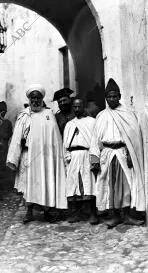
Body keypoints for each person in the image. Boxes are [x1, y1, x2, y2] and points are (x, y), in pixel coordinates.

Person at [7, 84, 67, 224]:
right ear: (29, 99)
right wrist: (13, 158)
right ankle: (29, 212)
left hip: (46, 157)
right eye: (32, 98)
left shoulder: (48, 114)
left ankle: (46, 211)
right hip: (29, 156)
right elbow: (16, 138)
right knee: (29, 184)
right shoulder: (24, 115)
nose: (35, 100)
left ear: (42, 99)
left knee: (45, 183)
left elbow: (55, 138)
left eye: (38, 97)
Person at [90, 78, 145, 228]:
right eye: (109, 96)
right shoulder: (101, 116)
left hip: (122, 153)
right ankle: (114, 215)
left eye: (115, 96)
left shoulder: (128, 114)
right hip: (107, 154)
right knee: (109, 185)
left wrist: (130, 153)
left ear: (120, 96)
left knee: (126, 184)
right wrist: (94, 157)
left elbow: (134, 137)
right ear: (106, 98)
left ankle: (127, 215)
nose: (112, 99)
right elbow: (95, 139)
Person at [63, 98, 98, 224]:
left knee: (89, 184)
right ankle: (76, 213)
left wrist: (94, 158)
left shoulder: (92, 122)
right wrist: (67, 157)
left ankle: (93, 214)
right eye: (75, 107)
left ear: (84, 107)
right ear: (72, 108)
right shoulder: (69, 124)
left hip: (86, 155)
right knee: (73, 184)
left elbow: (95, 141)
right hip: (73, 156)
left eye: (79, 106)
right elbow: (65, 144)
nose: (77, 109)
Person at [0, 101, 13, 192]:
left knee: (2, 165)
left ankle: (2, 186)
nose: (3, 112)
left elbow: (10, 133)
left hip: (4, 146)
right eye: (1, 111)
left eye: (4, 111)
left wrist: (4, 136)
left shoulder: (7, 123)